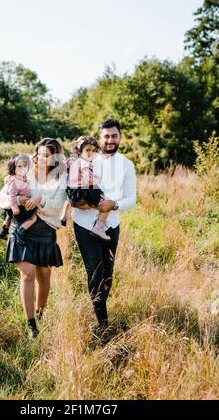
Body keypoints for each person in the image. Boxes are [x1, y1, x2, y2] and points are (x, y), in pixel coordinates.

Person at [71, 118, 137, 337]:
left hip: (111, 224)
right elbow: (72, 188)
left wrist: (115, 204)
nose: (110, 140)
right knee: (95, 271)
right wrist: (80, 202)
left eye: (114, 136)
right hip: (84, 223)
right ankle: (102, 323)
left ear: (120, 137)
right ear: (100, 138)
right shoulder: (88, 158)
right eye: (106, 136)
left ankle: (100, 307)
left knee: (108, 274)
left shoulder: (127, 165)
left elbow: (132, 198)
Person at [5, 138, 67, 339]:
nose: (41, 158)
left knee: (44, 273)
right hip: (22, 228)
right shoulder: (26, 171)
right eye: (39, 154)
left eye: (47, 155)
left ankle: (41, 313)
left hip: (46, 230)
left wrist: (41, 199)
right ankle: (31, 323)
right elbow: (3, 196)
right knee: (28, 273)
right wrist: (19, 200)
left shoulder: (59, 179)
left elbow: (57, 207)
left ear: (55, 157)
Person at [60, 136, 113, 241]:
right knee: (108, 204)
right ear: (80, 151)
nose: (90, 153)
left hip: (73, 193)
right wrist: (95, 180)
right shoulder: (85, 163)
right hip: (84, 191)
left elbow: (64, 170)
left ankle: (64, 214)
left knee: (69, 193)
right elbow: (87, 180)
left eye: (93, 151)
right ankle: (99, 227)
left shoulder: (72, 160)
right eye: (88, 150)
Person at [0, 154, 37, 243]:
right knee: (33, 218)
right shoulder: (14, 180)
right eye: (19, 166)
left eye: (24, 166)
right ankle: (19, 232)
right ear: (13, 167)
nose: (22, 169)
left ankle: (4, 231)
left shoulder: (21, 177)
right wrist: (15, 206)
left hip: (15, 207)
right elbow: (11, 195)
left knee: (9, 216)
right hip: (18, 207)